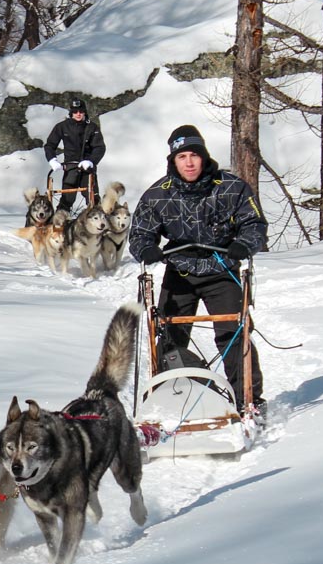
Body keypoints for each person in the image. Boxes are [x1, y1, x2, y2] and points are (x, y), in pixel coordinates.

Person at [128, 124, 266, 413]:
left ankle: (248, 400)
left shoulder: (231, 187)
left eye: (193, 155)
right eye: (182, 157)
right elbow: (140, 234)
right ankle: (174, 398)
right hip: (180, 271)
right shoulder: (157, 195)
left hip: (222, 268)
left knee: (233, 332)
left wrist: (244, 244)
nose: (188, 162)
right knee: (167, 334)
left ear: (204, 157)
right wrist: (147, 249)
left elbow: (254, 224)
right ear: (173, 161)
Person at [44, 98, 106, 214]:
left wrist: (91, 161)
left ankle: (97, 225)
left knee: (93, 198)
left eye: (81, 111)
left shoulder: (92, 127)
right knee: (67, 198)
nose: (78, 114)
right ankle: (59, 224)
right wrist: (52, 160)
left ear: (84, 112)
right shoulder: (62, 127)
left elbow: (100, 147)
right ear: (71, 113)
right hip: (70, 166)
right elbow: (49, 145)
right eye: (75, 111)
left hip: (87, 167)